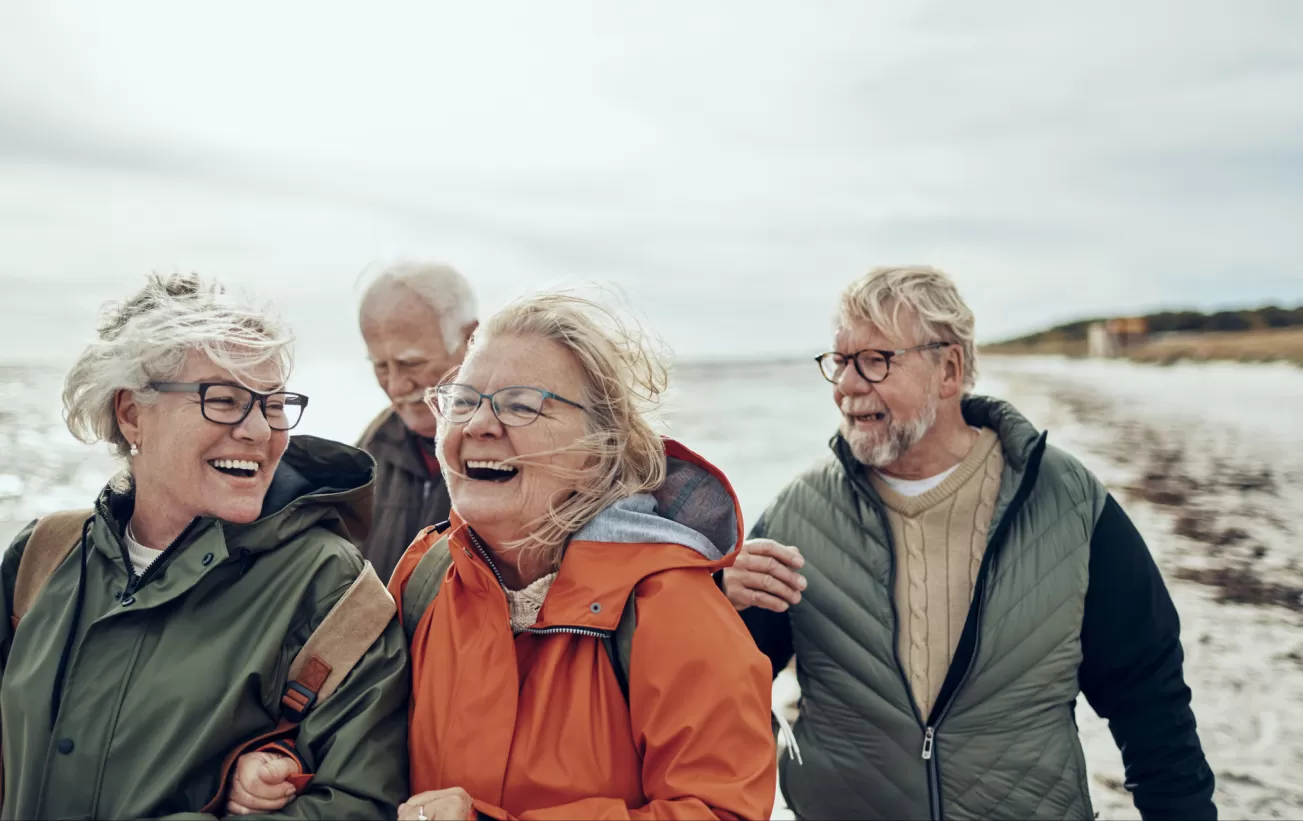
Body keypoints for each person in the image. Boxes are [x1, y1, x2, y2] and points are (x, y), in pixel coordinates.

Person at [230, 291, 778, 821]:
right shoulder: (426, 575)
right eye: (464, 401)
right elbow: (358, 733)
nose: (478, 425)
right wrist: (287, 767)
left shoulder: (672, 609)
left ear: (601, 446)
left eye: (521, 406)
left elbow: (721, 811)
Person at [723, 266, 1217, 820]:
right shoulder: (799, 512)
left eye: (875, 360)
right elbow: (718, 689)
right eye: (839, 361)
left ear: (949, 370)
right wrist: (721, 602)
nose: (847, 385)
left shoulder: (1065, 500)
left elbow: (1151, 704)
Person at [0, 274, 410, 819]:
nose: (259, 431)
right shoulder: (43, 556)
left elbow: (361, 806)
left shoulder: (331, 591)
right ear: (130, 413)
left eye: (273, 403)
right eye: (224, 400)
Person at [356, 261, 479, 581]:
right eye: (381, 366)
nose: (395, 387)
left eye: (411, 363)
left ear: (472, 340)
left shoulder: (518, 449)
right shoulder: (368, 452)